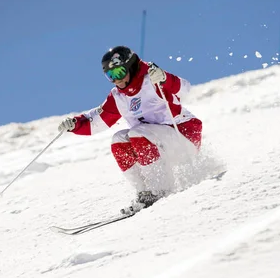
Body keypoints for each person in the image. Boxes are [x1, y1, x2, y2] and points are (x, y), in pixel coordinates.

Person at [58, 46, 202, 213]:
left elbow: (185, 89)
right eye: (110, 76)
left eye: (119, 72)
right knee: (119, 139)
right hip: (156, 146)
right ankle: (144, 193)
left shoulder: (152, 78)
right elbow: (96, 122)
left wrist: (164, 78)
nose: (116, 80)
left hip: (183, 137)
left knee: (138, 132)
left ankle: (161, 190)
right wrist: (75, 124)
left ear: (130, 66)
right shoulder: (119, 96)